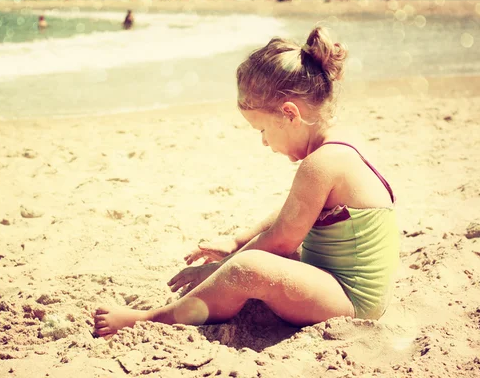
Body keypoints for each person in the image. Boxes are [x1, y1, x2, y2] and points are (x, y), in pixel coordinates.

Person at [92, 26, 401, 338]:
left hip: (352, 301)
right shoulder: (342, 144)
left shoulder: (321, 163)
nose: (265, 143)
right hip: (336, 284)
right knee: (254, 256)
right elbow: (292, 215)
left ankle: (153, 318)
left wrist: (216, 269)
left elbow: (282, 238)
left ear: (290, 114)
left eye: (263, 130)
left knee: (248, 268)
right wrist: (236, 242)